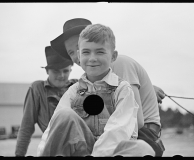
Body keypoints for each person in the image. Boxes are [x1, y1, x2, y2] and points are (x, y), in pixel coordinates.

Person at [49, 18, 165, 156]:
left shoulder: (119, 65)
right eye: (71, 52)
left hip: (141, 132)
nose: (77, 56)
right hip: (103, 135)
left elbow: (136, 122)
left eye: (78, 48)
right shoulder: (85, 80)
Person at [15, 46, 78, 156]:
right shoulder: (37, 89)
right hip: (52, 151)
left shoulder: (78, 86)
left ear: (70, 70)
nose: (61, 75)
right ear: (47, 71)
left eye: (65, 71)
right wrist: (19, 155)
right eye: (56, 71)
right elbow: (26, 128)